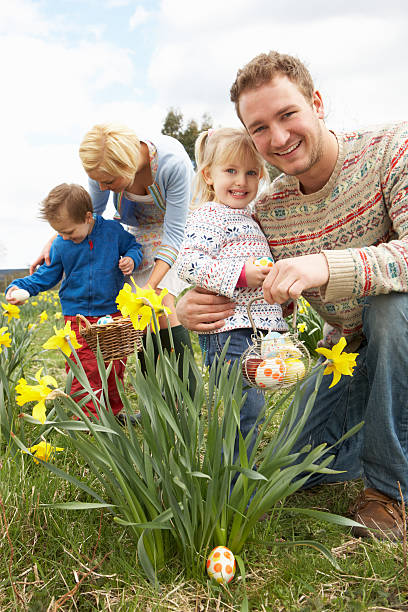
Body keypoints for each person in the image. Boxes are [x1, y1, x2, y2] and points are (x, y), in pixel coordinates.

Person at [176, 51, 408, 540]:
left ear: (317, 103)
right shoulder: (272, 207)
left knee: (389, 309)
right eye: (259, 128)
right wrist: (187, 303)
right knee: (300, 466)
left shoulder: (392, 149)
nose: (277, 138)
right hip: (349, 350)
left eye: (288, 115)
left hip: (396, 328)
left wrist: (325, 264)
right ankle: (384, 429)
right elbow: (257, 282)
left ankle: (389, 491)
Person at [31, 123, 196, 396]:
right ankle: (155, 401)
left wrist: (149, 287)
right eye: (96, 180)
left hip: (174, 230)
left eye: (108, 182)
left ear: (127, 166)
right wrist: (54, 241)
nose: (101, 186)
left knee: (160, 304)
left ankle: (187, 395)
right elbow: (89, 217)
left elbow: (175, 232)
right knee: (141, 316)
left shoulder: (171, 164)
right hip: (134, 233)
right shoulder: (103, 170)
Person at [175, 127, 288, 461]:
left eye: (251, 172)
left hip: (251, 330)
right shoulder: (209, 215)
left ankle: (239, 475)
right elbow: (189, 264)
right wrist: (242, 274)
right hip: (228, 330)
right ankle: (235, 484)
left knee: (252, 406)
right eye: (231, 171)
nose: (241, 181)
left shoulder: (249, 217)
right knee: (244, 407)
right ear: (209, 176)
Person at [6, 183, 143, 419]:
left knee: (114, 366)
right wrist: (20, 287)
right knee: (82, 366)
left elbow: (134, 246)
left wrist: (131, 258)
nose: (64, 237)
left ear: (88, 217)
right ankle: (87, 419)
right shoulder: (61, 244)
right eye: (59, 232)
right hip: (77, 316)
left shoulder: (112, 231)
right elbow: (46, 275)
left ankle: (113, 413)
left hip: (113, 313)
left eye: (69, 232)